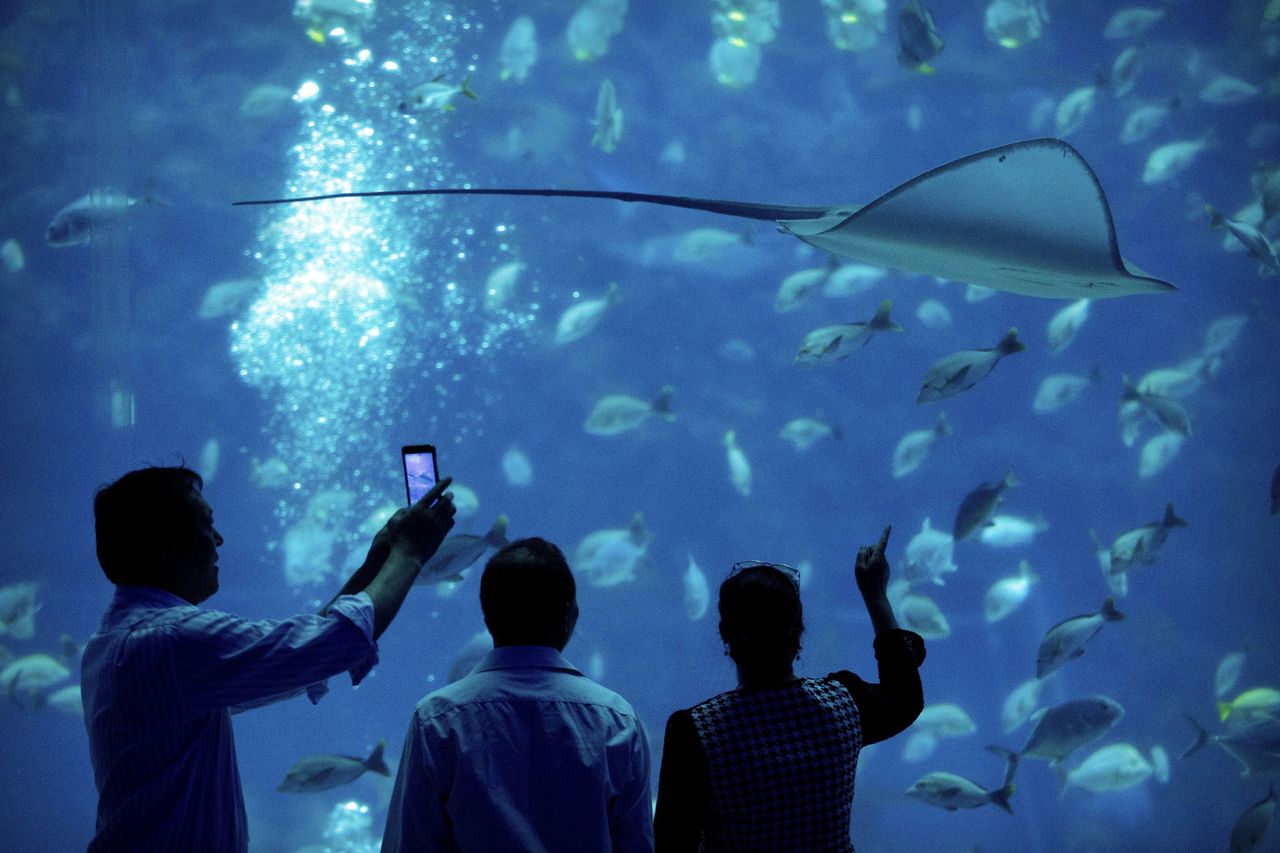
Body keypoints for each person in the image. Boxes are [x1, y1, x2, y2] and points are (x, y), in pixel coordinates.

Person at [82, 464, 456, 853]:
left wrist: (376, 563)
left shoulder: (118, 639)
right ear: (164, 543)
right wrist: (410, 553)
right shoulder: (170, 641)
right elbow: (335, 642)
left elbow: (301, 652)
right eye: (205, 523)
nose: (219, 540)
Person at [653, 526, 925, 852]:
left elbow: (671, 843)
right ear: (798, 630)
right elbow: (905, 698)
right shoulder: (843, 706)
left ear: (725, 633)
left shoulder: (697, 731)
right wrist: (876, 595)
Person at [382, 536, 653, 853]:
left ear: (488, 617)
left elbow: (411, 844)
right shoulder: (616, 719)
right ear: (571, 615)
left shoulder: (437, 719)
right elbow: (636, 844)